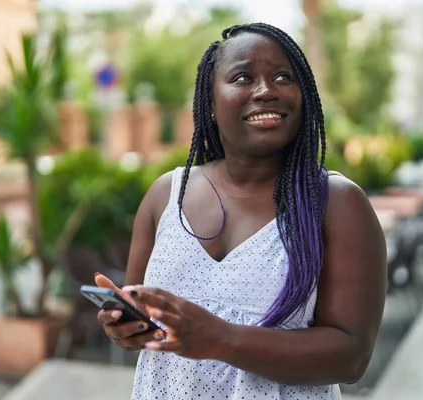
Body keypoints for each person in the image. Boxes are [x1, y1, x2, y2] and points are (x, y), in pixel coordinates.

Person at [95, 22, 387, 400]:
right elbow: (143, 325)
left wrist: (225, 340)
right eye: (243, 77)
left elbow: (351, 357)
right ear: (210, 103)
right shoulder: (166, 194)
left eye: (283, 76)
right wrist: (124, 327)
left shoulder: (337, 203)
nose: (266, 90)